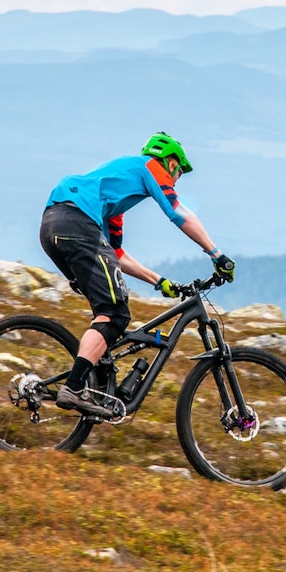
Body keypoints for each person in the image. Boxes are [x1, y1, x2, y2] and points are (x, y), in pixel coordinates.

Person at [40, 132, 234, 418]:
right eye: (179, 170)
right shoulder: (150, 166)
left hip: (53, 226)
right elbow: (179, 213)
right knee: (115, 314)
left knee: (105, 314)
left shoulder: (114, 201)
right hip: (76, 224)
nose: (177, 178)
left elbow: (116, 254)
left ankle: (100, 386)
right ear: (169, 162)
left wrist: (159, 281)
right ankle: (75, 387)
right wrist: (217, 254)